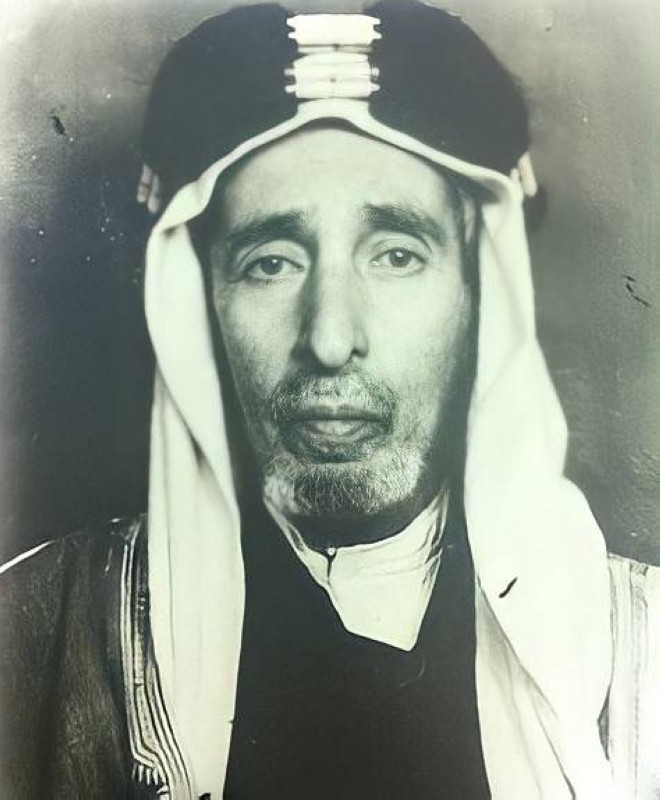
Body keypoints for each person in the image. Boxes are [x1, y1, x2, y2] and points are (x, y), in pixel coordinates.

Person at [1, 2, 658, 798]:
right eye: (272, 262)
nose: (330, 337)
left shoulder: (643, 656)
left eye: (396, 255)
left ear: (480, 292)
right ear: (201, 300)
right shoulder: (32, 638)